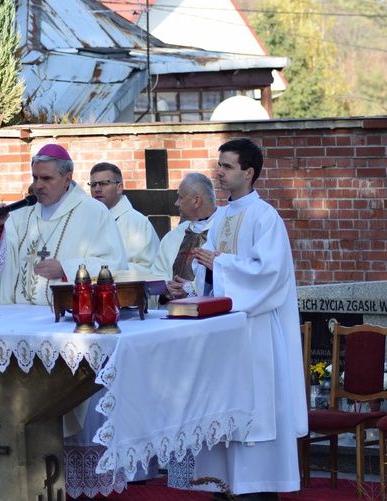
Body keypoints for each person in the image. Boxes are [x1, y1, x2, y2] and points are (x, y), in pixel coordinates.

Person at [190, 138, 307, 500]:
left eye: (226, 166)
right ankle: (222, 487)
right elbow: (208, 271)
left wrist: (219, 265)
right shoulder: (220, 217)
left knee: (255, 415)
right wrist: (198, 276)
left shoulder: (265, 216)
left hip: (255, 334)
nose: (219, 172)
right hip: (223, 337)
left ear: (249, 172)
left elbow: (270, 276)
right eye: (219, 165)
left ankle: (256, 489)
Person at [0, 144, 127, 306]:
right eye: (35, 177)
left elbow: (114, 264)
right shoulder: (22, 213)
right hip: (19, 314)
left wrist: (66, 269)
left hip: (68, 314)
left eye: (46, 178)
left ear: (67, 179)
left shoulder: (94, 212)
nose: (38, 185)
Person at [151, 172, 218, 302]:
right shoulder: (173, 237)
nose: (176, 203)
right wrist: (166, 289)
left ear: (196, 201)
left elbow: (230, 276)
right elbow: (157, 274)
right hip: (173, 313)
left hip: (210, 313)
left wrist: (191, 289)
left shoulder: (224, 231)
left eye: (180, 198)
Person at [89, 162, 159, 272]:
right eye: (93, 185)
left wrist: (104, 271)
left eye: (104, 183)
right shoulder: (87, 221)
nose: (97, 189)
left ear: (119, 188)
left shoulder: (138, 224)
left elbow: (150, 267)